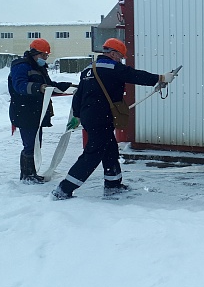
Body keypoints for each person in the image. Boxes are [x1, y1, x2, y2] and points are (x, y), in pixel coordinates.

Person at [51, 38, 175, 200]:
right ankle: (64, 189)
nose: (120, 59)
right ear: (113, 53)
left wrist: (77, 115)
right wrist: (160, 78)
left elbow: (79, 94)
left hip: (91, 116)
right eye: (120, 56)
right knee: (92, 154)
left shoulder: (88, 69)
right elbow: (134, 75)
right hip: (100, 117)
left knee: (110, 150)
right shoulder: (112, 67)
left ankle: (113, 184)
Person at [8, 38, 73, 183]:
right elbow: (20, 86)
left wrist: (68, 86)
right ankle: (27, 175)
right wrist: (39, 88)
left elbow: (49, 86)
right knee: (30, 144)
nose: (45, 58)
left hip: (37, 111)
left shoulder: (39, 68)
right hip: (24, 111)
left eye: (46, 56)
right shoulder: (21, 66)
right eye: (43, 55)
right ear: (34, 54)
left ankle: (32, 173)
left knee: (36, 143)